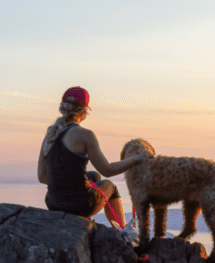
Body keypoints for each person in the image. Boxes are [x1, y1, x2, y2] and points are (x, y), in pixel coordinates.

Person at [38, 86, 150, 227]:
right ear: (84, 111)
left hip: (53, 203)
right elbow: (107, 170)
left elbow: (42, 176)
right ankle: (123, 233)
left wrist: (64, 185)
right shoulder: (85, 135)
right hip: (81, 204)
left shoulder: (50, 134)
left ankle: (84, 222)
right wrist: (136, 159)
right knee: (111, 187)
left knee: (94, 176)